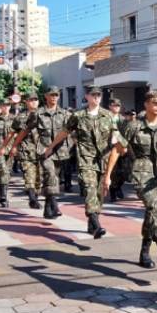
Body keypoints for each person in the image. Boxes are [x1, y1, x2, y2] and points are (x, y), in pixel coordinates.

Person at [48, 87, 127, 239]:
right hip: (86, 159)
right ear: (87, 96)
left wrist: (122, 147)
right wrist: (51, 147)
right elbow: (64, 132)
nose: (96, 98)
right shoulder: (78, 116)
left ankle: (92, 222)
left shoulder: (108, 115)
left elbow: (116, 134)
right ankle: (96, 224)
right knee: (90, 189)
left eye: (99, 95)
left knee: (99, 194)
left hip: (103, 160)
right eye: (93, 95)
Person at [115, 90, 157, 268]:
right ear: (146, 104)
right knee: (154, 209)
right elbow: (118, 149)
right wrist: (107, 177)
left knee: (151, 215)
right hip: (141, 175)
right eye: (154, 102)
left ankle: (144, 253)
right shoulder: (134, 126)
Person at [15, 86, 72, 219]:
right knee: (50, 174)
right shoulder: (38, 114)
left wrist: (72, 146)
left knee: (51, 179)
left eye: (56, 95)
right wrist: (15, 145)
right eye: (51, 95)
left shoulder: (65, 114)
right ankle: (55, 205)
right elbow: (25, 130)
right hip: (44, 150)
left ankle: (47, 209)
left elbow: (72, 132)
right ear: (45, 96)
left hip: (60, 152)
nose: (54, 97)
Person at [7, 91, 42, 209]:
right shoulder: (20, 117)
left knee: (39, 178)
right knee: (29, 174)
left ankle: (34, 194)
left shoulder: (43, 114)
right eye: (31, 100)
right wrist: (13, 147)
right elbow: (12, 132)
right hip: (26, 150)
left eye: (35, 100)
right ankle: (33, 198)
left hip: (42, 151)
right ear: (26, 102)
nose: (34, 102)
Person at [106, 97, 127, 201]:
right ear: (110, 106)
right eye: (115, 105)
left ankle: (118, 186)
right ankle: (113, 192)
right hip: (109, 148)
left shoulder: (122, 119)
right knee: (112, 171)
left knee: (124, 172)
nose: (117, 107)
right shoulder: (105, 118)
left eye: (118, 105)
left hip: (121, 147)